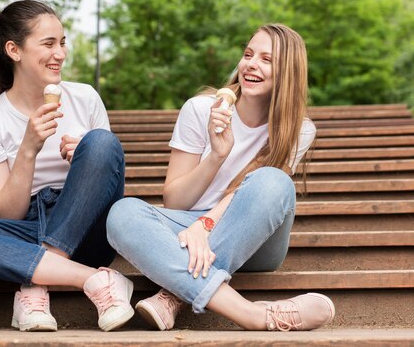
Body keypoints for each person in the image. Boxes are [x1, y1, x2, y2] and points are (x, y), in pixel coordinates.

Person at [0, 0, 133, 332]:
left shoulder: (85, 98)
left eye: (62, 42)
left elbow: (108, 182)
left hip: (88, 233)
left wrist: (86, 161)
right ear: (14, 50)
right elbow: (6, 214)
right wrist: (28, 149)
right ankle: (94, 280)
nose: (60, 53)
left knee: (102, 143)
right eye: (48, 44)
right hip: (25, 228)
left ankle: (34, 284)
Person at [106, 24, 335, 331]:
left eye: (267, 59)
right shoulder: (201, 110)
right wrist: (216, 155)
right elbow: (175, 200)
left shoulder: (299, 130)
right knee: (122, 213)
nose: (251, 64)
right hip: (188, 229)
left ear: (288, 73)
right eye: (248, 54)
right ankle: (253, 315)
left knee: (274, 182)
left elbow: (258, 196)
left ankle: (176, 292)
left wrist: (207, 224)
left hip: (254, 239)